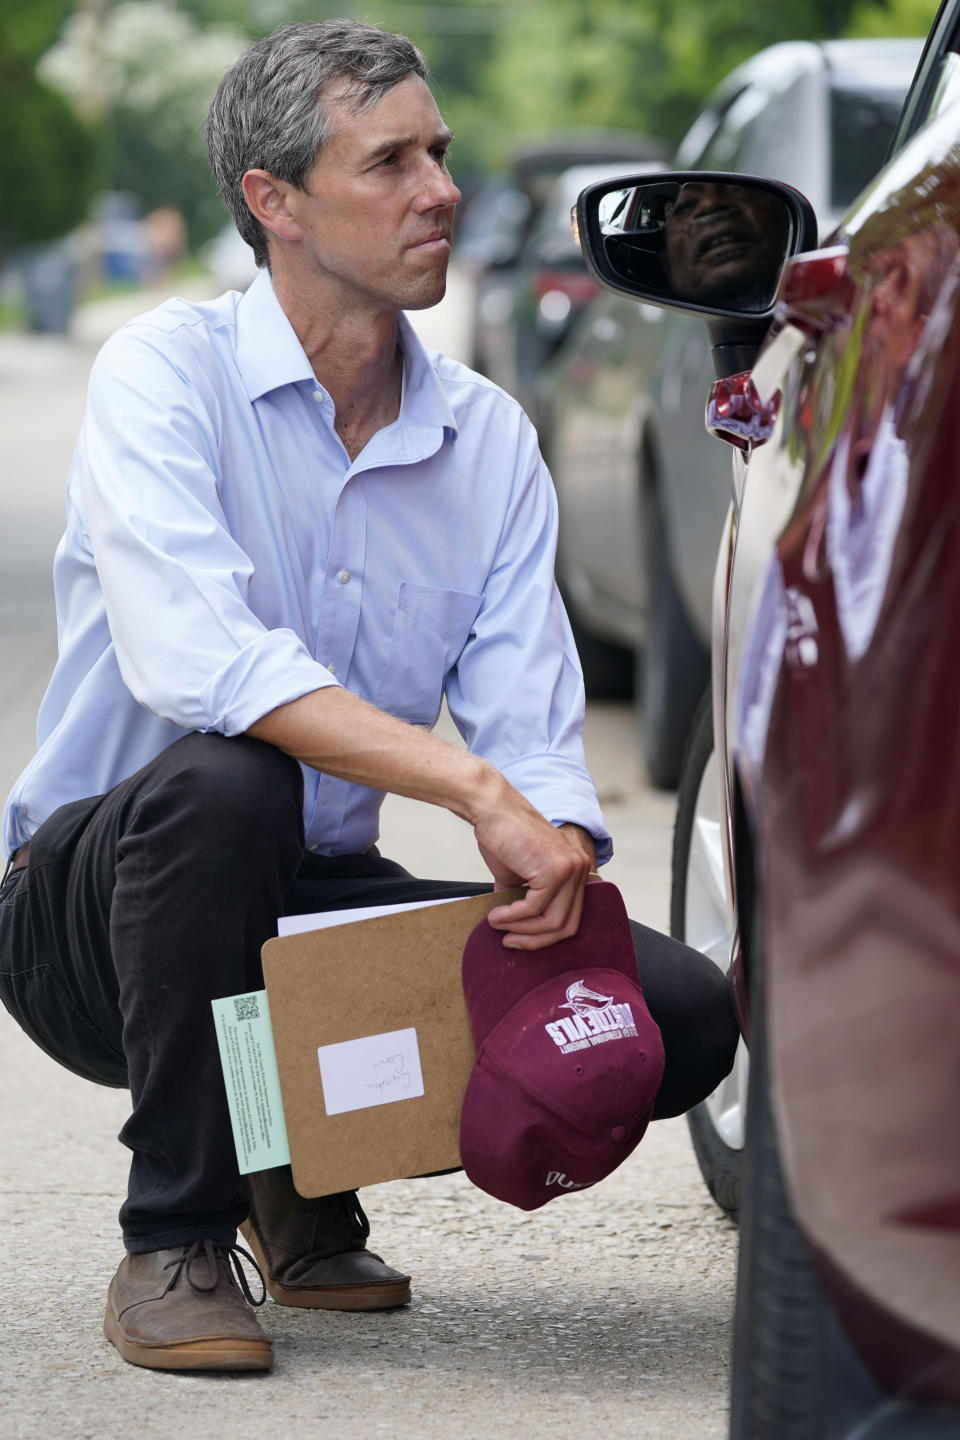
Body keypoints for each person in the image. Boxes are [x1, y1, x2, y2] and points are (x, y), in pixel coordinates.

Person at [0, 20, 738, 1374]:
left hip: (301, 903)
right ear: (272, 203)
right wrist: (467, 791)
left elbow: (533, 730)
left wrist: (557, 855)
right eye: (389, 161)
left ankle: (290, 1158)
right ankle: (178, 1230)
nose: (442, 190)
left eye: (441, 154)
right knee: (234, 778)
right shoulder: (165, 380)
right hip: (94, 917)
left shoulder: (489, 441)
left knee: (672, 1012)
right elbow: (198, 665)